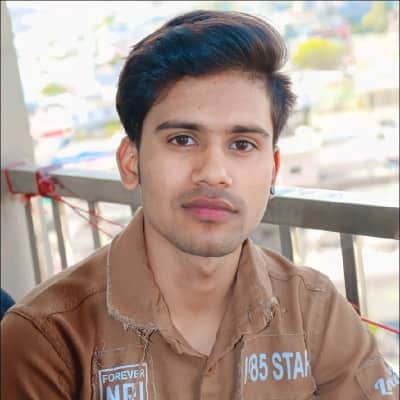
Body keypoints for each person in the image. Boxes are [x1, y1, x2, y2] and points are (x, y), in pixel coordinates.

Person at [1, 9, 398, 400]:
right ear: (131, 162)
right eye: (182, 140)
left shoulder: (315, 311)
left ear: (273, 170)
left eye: (242, 144)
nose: (213, 173)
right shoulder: (47, 341)